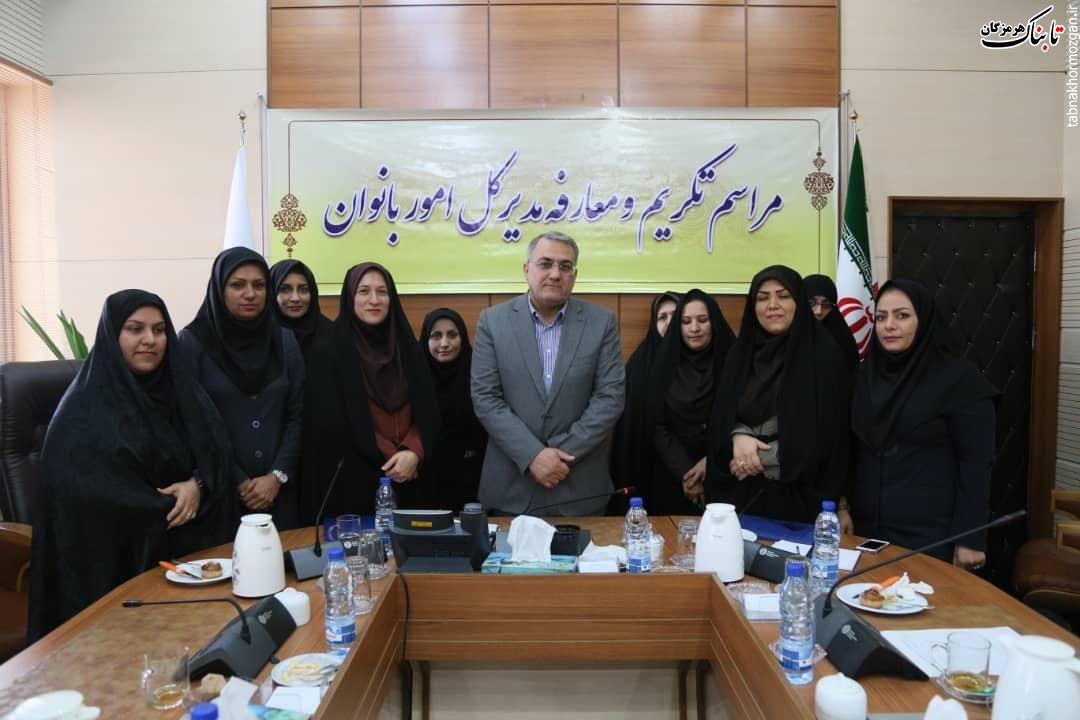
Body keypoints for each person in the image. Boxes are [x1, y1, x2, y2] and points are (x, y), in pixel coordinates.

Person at [28, 290, 231, 641]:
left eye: (159, 330)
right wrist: (174, 504)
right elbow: (94, 498)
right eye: (135, 329)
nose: (149, 340)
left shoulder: (182, 391)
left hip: (190, 557)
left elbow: (218, 454)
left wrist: (198, 484)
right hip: (111, 569)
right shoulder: (82, 410)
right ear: (112, 336)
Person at [471, 231, 625, 516]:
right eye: (545, 264)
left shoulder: (601, 323)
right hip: (512, 490)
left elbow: (610, 397)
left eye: (565, 267)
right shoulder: (493, 322)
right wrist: (533, 455)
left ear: (574, 276)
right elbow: (486, 398)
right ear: (526, 269)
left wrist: (556, 456)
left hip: (579, 487)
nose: (555, 274)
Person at [849, 279, 996, 569]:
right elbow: (851, 448)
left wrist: (970, 537)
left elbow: (976, 464)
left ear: (924, 320)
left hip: (931, 536)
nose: (889, 325)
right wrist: (842, 506)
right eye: (881, 317)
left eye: (902, 316)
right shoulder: (866, 375)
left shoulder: (960, 380)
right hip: (866, 530)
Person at [707, 265, 851, 522]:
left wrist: (757, 458)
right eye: (763, 298)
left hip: (800, 499)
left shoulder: (825, 356)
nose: (773, 305)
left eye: (783, 296)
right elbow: (721, 416)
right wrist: (737, 434)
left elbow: (831, 435)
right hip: (740, 494)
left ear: (799, 303)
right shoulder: (739, 355)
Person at [178, 247, 304, 530]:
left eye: (259, 285)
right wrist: (237, 479)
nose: (250, 294)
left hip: (279, 492)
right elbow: (192, 420)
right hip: (219, 493)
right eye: (238, 285)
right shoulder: (192, 343)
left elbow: (297, 415)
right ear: (219, 289)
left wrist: (277, 475)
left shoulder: (284, 341)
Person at [301, 262, 438, 519]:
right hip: (354, 484)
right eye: (364, 291)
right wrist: (392, 456)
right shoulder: (328, 351)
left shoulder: (408, 348)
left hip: (411, 476)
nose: (374, 300)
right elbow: (331, 425)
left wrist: (413, 451)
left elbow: (428, 409)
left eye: (382, 292)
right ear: (350, 297)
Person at [644, 290, 735, 515]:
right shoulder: (663, 365)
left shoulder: (734, 360)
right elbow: (656, 424)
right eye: (685, 322)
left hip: (726, 470)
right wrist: (687, 473)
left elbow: (742, 417)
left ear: (714, 322)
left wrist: (712, 461)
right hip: (673, 474)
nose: (694, 328)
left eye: (702, 320)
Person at [609, 292, 680, 512]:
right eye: (662, 317)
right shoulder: (640, 364)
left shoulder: (703, 363)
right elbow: (628, 433)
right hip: (647, 470)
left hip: (693, 471)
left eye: (676, 315)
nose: (669, 322)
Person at [420, 308, 487, 512]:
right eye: (436, 336)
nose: (444, 343)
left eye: (452, 335)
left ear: (463, 338)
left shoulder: (480, 374)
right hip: (424, 480)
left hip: (473, 479)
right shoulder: (413, 377)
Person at [269, 258, 333, 357]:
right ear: (272, 293)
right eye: (285, 289)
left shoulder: (332, 333)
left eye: (304, 290)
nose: (295, 298)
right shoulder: (261, 335)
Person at [804, 273, 860, 375]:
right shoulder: (788, 334)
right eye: (812, 303)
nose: (819, 311)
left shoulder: (842, 338)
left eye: (826, 305)